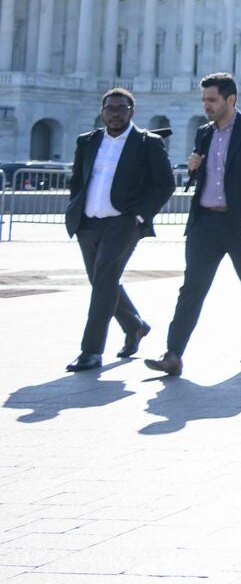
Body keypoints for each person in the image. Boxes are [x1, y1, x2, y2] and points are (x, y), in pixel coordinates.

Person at [146, 73, 241, 376]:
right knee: (191, 287)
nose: (206, 105)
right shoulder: (204, 133)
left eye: (212, 100)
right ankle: (173, 354)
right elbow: (204, 177)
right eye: (204, 99)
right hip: (205, 222)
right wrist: (193, 168)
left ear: (230, 100)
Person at [62, 88, 175, 371]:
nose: (115, 113)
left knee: (104, 280)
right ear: (102, 112)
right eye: (110, 108)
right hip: (88, 223)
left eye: (121, 108)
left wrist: (139, 216)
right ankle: (135, 325)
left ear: (131, 112)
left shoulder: (147, 143)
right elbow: (78, 179)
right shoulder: (87, 141)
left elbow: (165, 184)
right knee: (102, 281)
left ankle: (91, 351)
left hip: (123, 222)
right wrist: (74, 209)